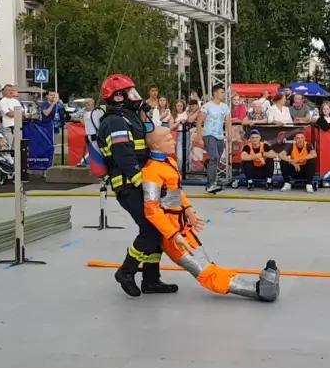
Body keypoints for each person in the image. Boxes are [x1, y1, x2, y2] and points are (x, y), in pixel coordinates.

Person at [142, 126, 280, 301]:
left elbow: (176, 192)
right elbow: (151, 209)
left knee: (208, 265)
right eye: (167, 138)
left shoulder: (169, 163)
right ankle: (257, 290)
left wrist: (188, 209)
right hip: (172, 234)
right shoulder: (152, 170)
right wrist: (173, 235)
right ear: (155, 145)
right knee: (205, 272)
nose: (173, 140)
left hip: (182, 227)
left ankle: (254, 287)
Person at [97, 73, 176, 297]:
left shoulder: (130, 117)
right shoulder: (115, 121)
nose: (136, 96)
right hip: (130, 185)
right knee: (149, 230)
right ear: (118, 98)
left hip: (143, 183)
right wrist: (143, 183)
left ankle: (151, 280)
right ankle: (126, 271)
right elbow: (123, 155)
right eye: (130, 93)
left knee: (159, 229)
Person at [196, 86, 231, 194]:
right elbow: (199, 121)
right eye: (221, 92)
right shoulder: (207, 106)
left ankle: (212, 182)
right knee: (215, 157)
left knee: (216, 160)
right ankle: (210, 184)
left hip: (220, 136)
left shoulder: (225, 107)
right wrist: (199, 137)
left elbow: (228, 121)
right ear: (215, 93)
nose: (223, 95)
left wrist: (229, 134)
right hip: (209, 134)